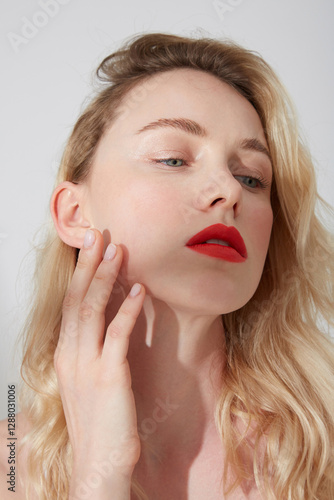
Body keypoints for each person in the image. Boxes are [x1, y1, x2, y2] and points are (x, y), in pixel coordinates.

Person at [0, 32, 333, 500]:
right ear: (74, 215)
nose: (229, 190)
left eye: (252, 177)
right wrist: (98, 473)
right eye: (173, 158)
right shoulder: (10, 466)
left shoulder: (322, 457)